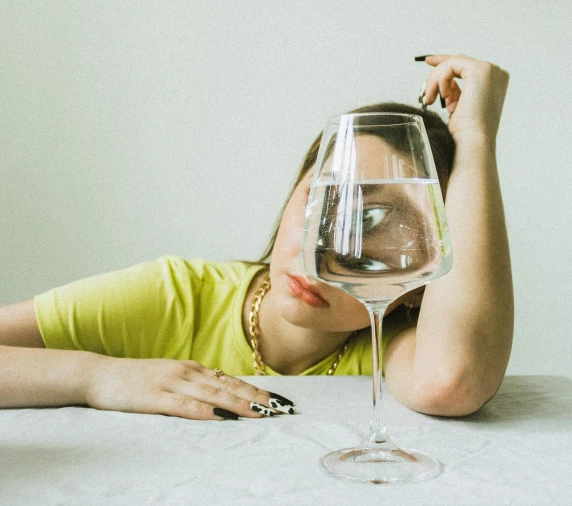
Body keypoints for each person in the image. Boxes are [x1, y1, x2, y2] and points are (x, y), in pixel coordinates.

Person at [0, 53, 512, 422]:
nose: (321, 249)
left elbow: (451, 382)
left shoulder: (394, 342)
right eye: (317, 201)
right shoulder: (175, 297)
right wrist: (97, 377)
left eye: (373, 221)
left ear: (425, 271)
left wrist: (476, 140)